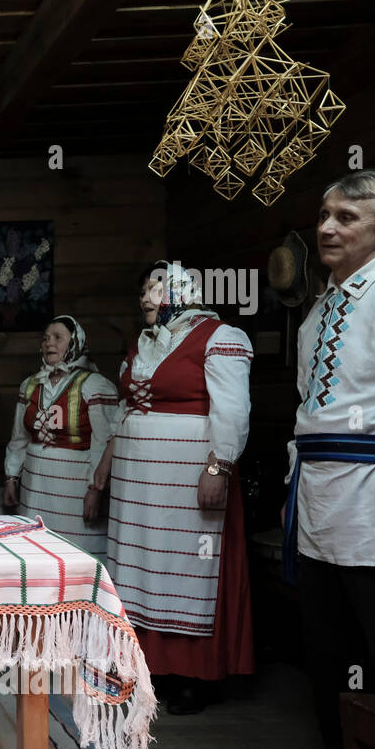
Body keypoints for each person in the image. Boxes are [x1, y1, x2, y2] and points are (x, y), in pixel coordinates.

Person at [280, 169, 375, 749]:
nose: (327, 228)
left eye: (347, 218)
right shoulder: (317, 311)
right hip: (319, 497)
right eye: (325, 214)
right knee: (328, 646)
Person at [95, 262, 254, 715]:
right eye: (143, 289)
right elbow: (126, 410)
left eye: (156, 289)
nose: (146, 298)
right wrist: (106, 466)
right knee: (144, 560)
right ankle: (148, 666)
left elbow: (232, 408)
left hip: (188, 472)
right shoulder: (142, 344)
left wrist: (219, 465)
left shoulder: (220, 337)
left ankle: (193, 674)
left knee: (186, 564)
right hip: (138, 481)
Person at [4, 315, 118, 556]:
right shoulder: (30, 385)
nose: (49, 344)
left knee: (76, 553)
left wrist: (96, 489)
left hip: (75, 487)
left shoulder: (94, 385)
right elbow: (19, 438)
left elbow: (103, 441)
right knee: (37, 551)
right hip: (36, 487)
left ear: (75, 343)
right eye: (45, 338)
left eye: (58, 338)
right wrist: (11, 477)